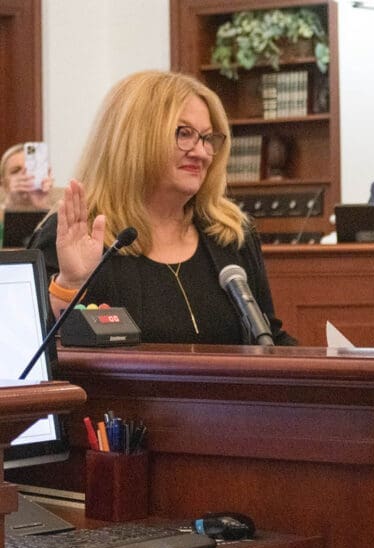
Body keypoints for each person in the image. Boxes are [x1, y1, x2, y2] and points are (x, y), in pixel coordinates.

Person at [28, 70, 295, 345]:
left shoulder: (231, 234)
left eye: (207, 138)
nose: (201, 153)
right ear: (134, 138)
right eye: (184, 133)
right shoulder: (74, 235)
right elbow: (40, 351)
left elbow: (269, 338)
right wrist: (71, 285)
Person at [0, 143, 58, 211]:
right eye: (15, 171)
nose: (25, 175)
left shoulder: (60, 208)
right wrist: (12, 203)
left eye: (31, 169)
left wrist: (42, 205)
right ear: (4, 184)